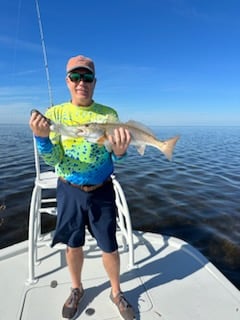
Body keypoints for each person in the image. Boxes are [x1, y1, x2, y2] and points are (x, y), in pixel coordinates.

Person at [29, 55, 135, 320]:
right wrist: (42, 139)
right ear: (67, 81)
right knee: (73, 245)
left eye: (86, 77)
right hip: (69, 190)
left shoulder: (108, 114)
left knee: (109, 245)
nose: (81, 82)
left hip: (102, 190)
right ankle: (76, 289)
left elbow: (114, 153)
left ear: (94, 82)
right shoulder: (55, 114)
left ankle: (116, 291)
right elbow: (55, 159)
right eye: (75, 77)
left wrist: (121, 152)